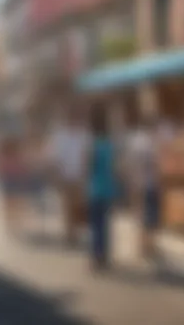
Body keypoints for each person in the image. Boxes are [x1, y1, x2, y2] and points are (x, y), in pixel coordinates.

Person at [48, 110, 91, 245]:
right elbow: (56, 159)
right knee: (67, 206)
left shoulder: (84, 134)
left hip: (80, 176)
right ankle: (70, 234)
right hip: (65, 176)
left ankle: (75, 231)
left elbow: (88, 155)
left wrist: (86, 173)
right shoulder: (60, 137)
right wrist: (57, 176)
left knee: (78, 205)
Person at [87, 107, 118, 271]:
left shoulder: (93, 145)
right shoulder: (109, 145)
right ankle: (105, 256)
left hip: (95, 188)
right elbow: (114, 167)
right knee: (105, 225)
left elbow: (88, 167)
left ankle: (96, 258)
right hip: (108, 188)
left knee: (95, 225)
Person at [130, 117, 162, 261]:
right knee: (150, 216)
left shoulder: (135, 141)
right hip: (148, 183)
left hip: (137, 183)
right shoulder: (149, 143)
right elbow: (153, 164)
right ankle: (148, 245)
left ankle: (141, 245)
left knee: (141, 214)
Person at [0, 136, 26, 236]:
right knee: (9, 202)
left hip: (15, 181)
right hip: (8, 181)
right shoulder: (4, 157)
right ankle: (10, 222)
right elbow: (0, 169)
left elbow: (21, 169)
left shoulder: (17, 157)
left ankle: (15, 221)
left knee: (15, 201)